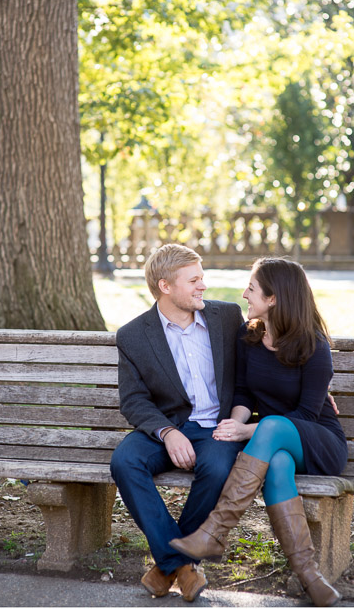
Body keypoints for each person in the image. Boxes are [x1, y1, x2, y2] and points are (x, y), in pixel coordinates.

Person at [169, 257, 346, 607]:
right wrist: (235, 423)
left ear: (274, 298)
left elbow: (307, 415)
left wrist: (247, 431)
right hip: (274, 443)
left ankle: (215, 533)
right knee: (277, 463)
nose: (244, 294)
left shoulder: (314, 346)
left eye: (251, 288)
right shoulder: (249, 336)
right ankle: (310, 576)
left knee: (274, 425)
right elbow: (244, 394)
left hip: (316, 441)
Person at [110, 244, 245, 602]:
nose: (203, 286)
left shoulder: (227, 317)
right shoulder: (133, 335)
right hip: (166, 426)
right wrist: (167, 432)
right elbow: (134, 400)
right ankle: (181, 565)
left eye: (202, 277)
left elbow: (270, 348)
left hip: (217, 428)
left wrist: (315, 382)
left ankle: (168, 567)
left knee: (216, 468)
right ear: (165, 286)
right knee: (125, 461)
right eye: (194, 280)